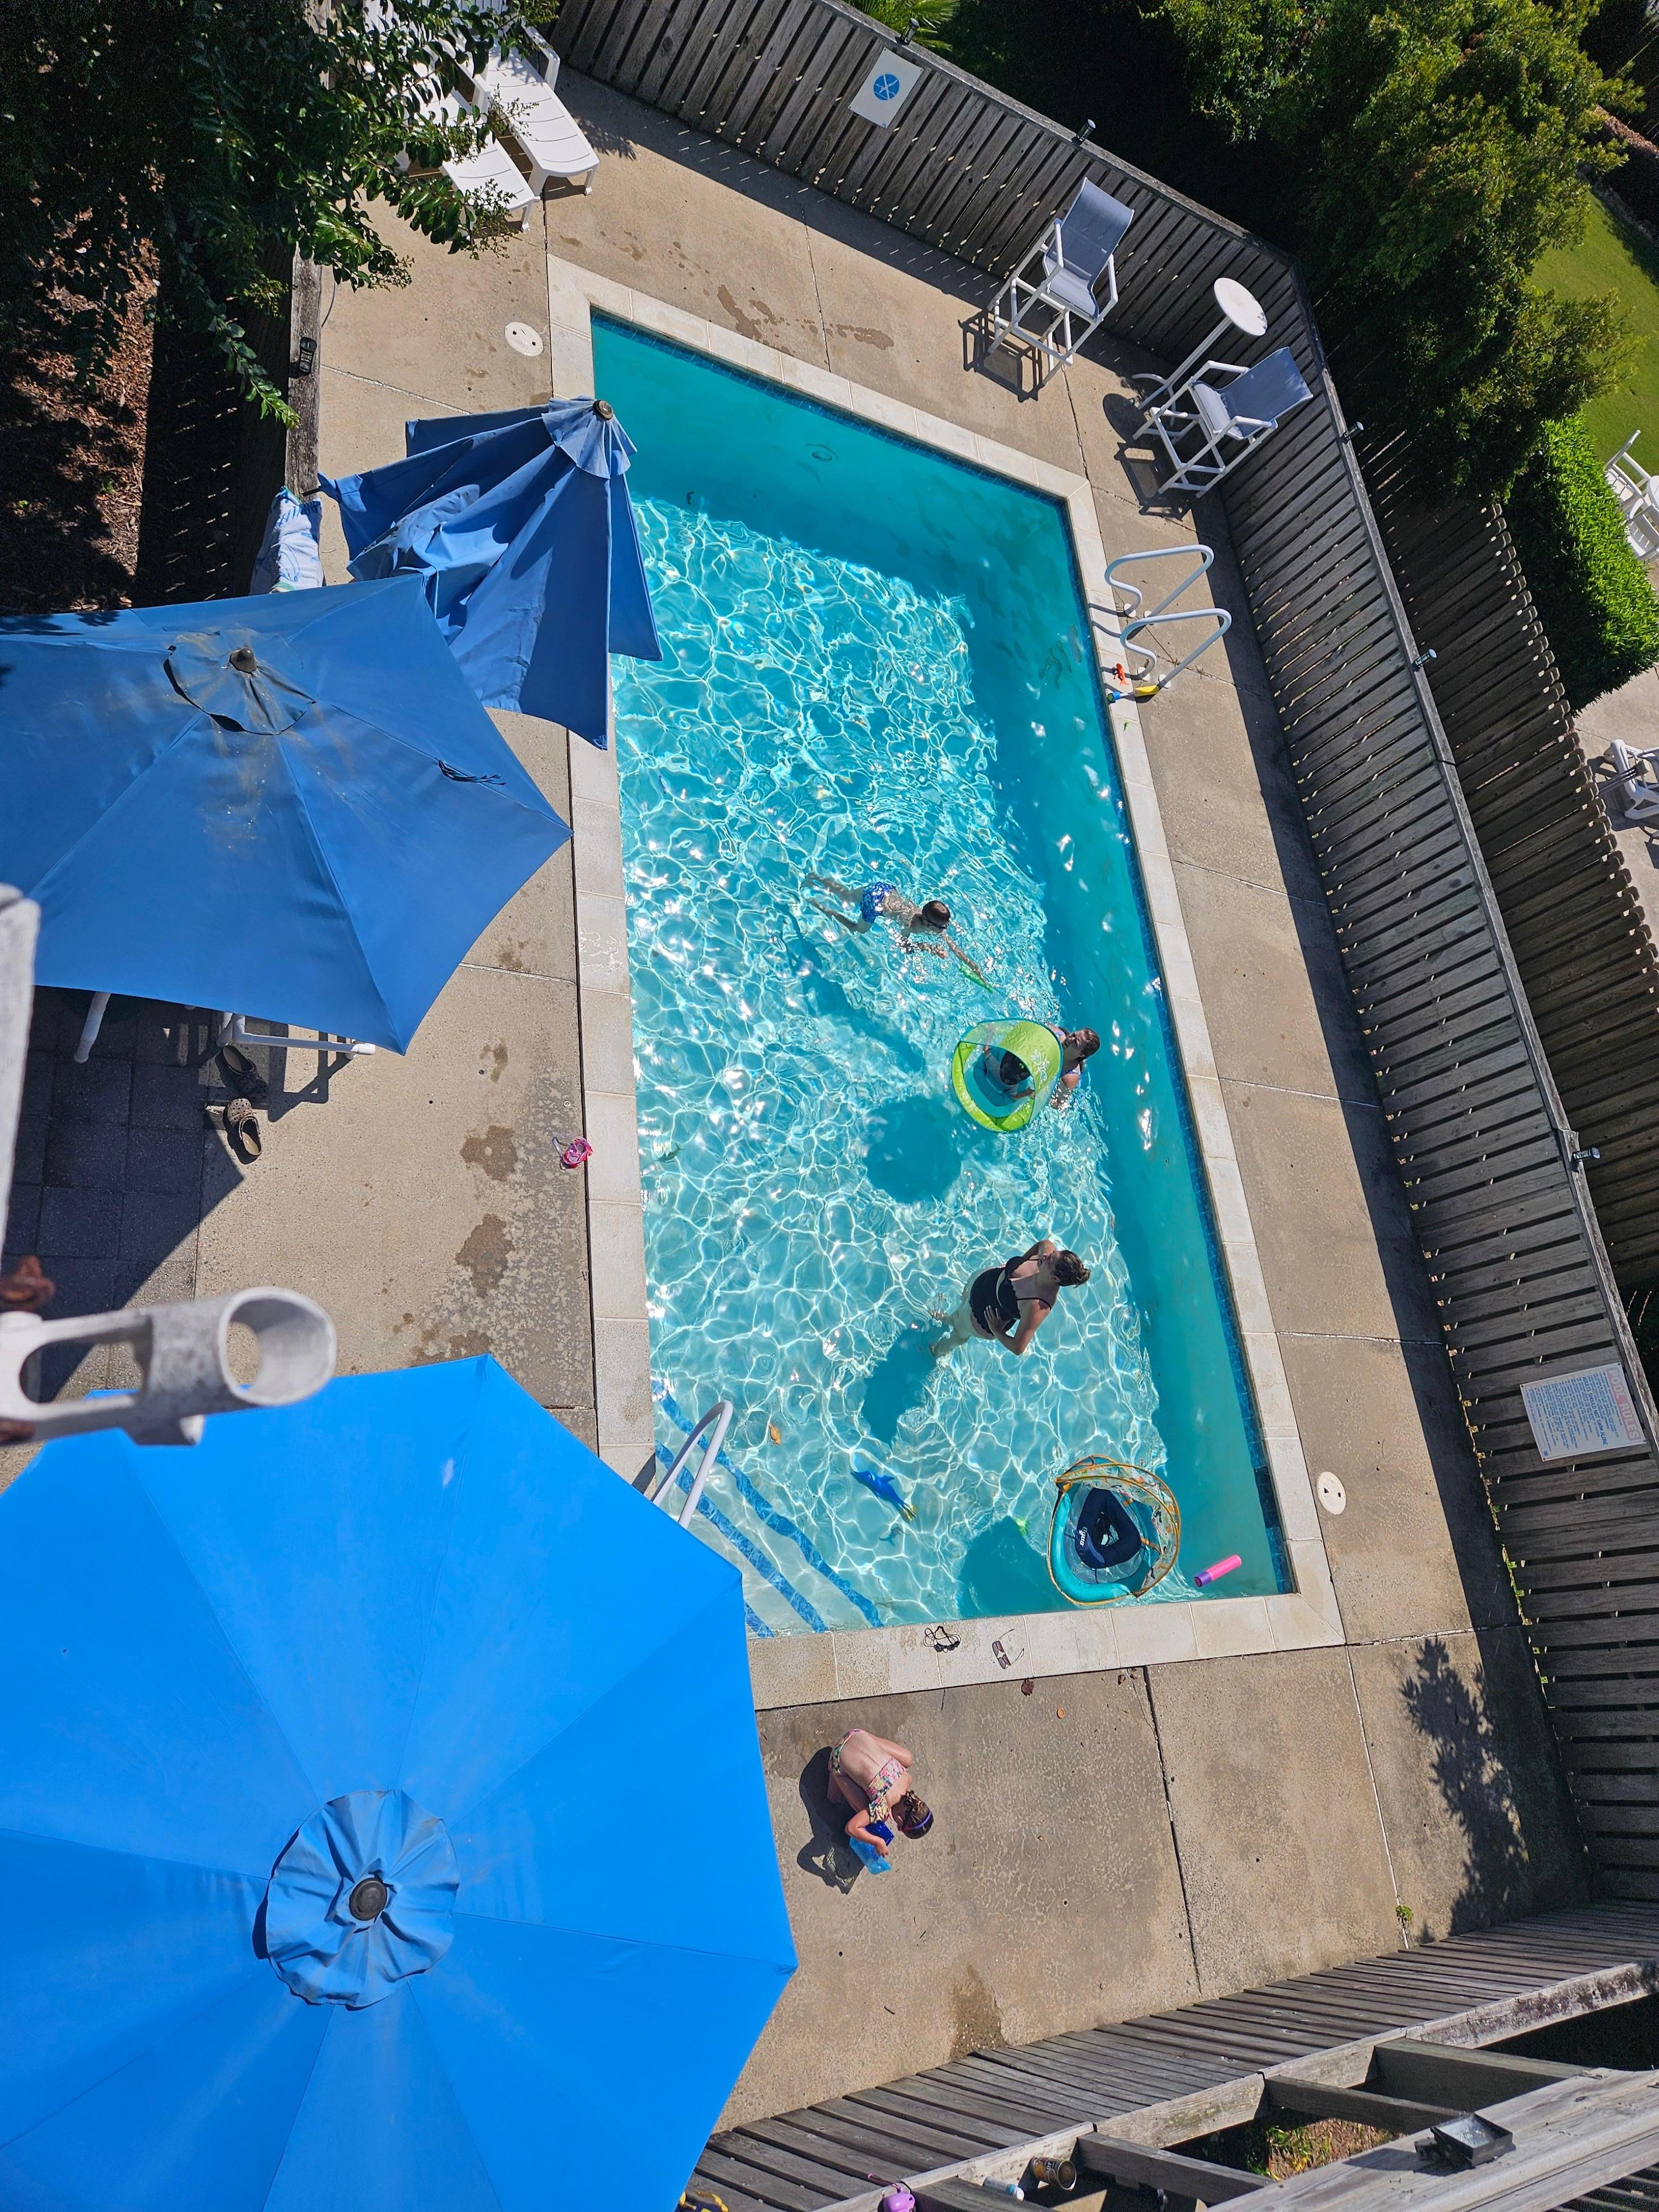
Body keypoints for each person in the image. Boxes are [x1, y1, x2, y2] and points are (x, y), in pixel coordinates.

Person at [930, 1236, 1091, 1359]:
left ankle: (938, 1352)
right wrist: (1015, 1264)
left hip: (980, 1319)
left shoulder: (1038, 1305)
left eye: (1050, 1261)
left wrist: (997, 1331)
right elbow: (1042, 1244)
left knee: (958, 1334)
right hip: (982, 1285)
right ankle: (947, 1320)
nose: (1046, 1256)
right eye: (1053, 1254)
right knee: (958, 1313)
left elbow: (1018, 1347)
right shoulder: (1046, 1252)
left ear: (1055, 1279)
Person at [807, 874, 987, 982]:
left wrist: (972, 966)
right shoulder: (911, 926)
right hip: (876, 902)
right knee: (859, 929)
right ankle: (822, 908)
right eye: (943, 927)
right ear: (929, 924)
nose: (945, 929)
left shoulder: (931, 921)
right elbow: (902, 944)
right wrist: (928, 948)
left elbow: (953, 947)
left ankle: (815, 877)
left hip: (883, 890)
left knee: (845, 895)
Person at [827, 1726, 935, 1860]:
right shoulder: (881, 1807)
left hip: (856, 1734)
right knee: (866, 1811)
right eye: (899, 1826)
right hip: (838, 1754)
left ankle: (869, 1740)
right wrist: (878, 1842)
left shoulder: (906, 1777)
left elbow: (889, 1791)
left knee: (908, 1759)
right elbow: (851, 1828)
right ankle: (835, 1773)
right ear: (900, 1819)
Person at [982, 1027, 1099, 1110]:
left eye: (1076, 1043)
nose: (1070, 1039)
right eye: (1074, 1035)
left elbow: (1059, 1105)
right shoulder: (1055, 1034)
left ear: (1081, 1055)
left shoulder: (1070, 1077)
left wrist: (1042, 1095)